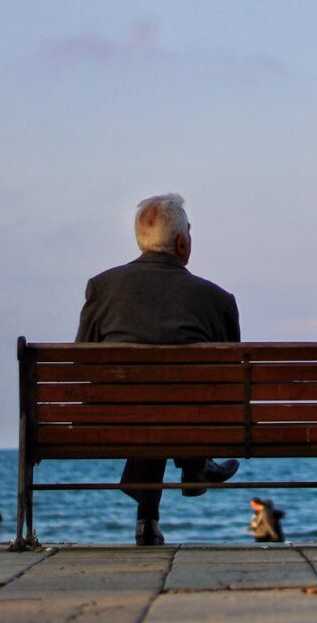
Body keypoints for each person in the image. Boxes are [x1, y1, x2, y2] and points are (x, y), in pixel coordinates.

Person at [76, 193, 240, 546]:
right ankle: (196, 464)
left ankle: (147, 519)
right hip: (188, 422)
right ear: (182, 243)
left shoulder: (102, 288)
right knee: (170, 401)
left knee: (147, 403)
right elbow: (230, 383)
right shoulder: (216, 300)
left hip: (113, 419)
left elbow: (81, 362)